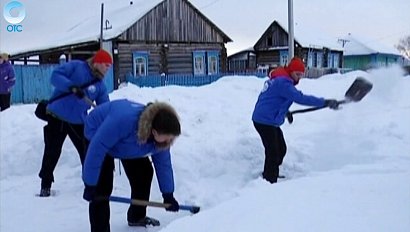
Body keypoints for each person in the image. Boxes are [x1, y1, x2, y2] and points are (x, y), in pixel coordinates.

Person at [82, 99, 181, 231]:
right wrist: (90, 183)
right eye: (168, 138)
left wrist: (168, 194)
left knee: (144, 173)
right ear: (154, 131)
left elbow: (164, 165)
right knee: (101, 189)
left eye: (172, 138)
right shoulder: (123, 121)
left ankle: (137, 216)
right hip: (97, 134)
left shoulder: (161, 139)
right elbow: (97, 148)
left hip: (126, 143)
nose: (170, 141)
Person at [252, 57, 339, 184]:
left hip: (268, 119)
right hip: (264, 121)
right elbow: (300, 98)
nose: (299, 78)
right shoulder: (283, 83)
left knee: (281, 149)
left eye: (301, 75)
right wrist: (324, 102)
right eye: (297, 74)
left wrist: (285, 112)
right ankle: (269, 180)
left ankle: (271, 172)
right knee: (273, 152)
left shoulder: (280, 79)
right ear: (291, 71)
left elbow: (273, 100)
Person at [38, 49, 113, 197]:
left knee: (87, 152)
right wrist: (71, 86)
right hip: (57, 115)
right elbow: (55, 76)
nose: (107, 69)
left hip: (78, 121)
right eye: (106, 65)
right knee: (52, 151)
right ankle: (45, 185)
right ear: (97, 63)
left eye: (109, 66)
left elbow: (104, 107)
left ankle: (90, 184)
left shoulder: (99, 86)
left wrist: (109, 120)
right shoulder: (77, 66)